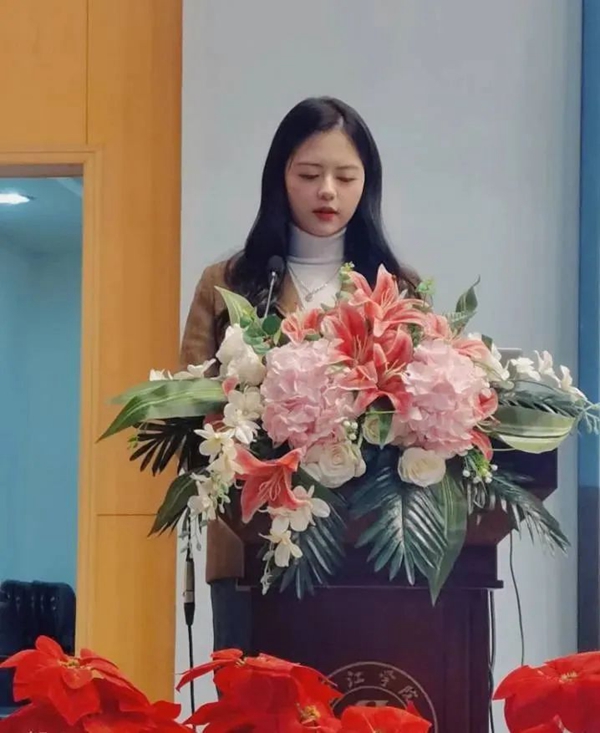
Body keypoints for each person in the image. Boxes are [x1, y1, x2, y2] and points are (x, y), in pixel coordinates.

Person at [180, 96, 419, 653]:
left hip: (369, 549)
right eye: (309, 175)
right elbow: (187, 415)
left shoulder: (397, 287)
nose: (327, 191)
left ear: (367, 184)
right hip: (251, 547)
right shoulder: (229, 282)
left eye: (345, 177)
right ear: (280, 178)